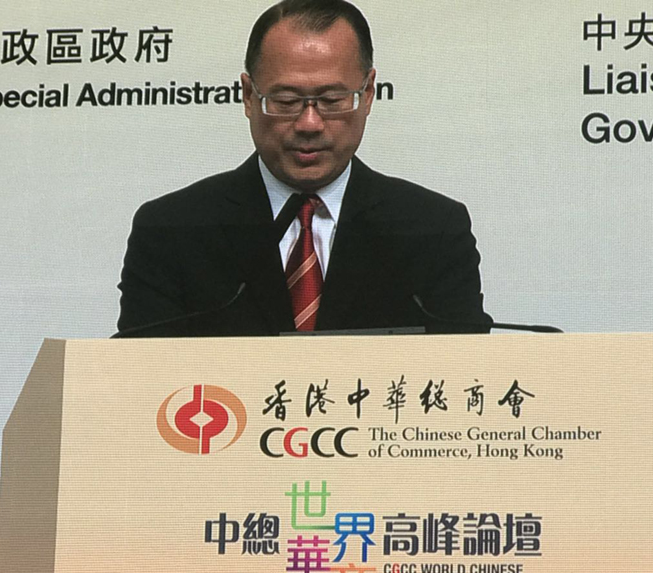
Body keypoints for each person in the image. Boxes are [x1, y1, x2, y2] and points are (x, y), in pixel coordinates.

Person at [116, 0, 491, 337]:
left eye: (332, 100)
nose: (309, 123)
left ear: (368, 93)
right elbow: (138, 378)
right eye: (286, 101)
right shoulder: (172, 232)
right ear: (248, 96)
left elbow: (467, 375)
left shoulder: (433, 230)